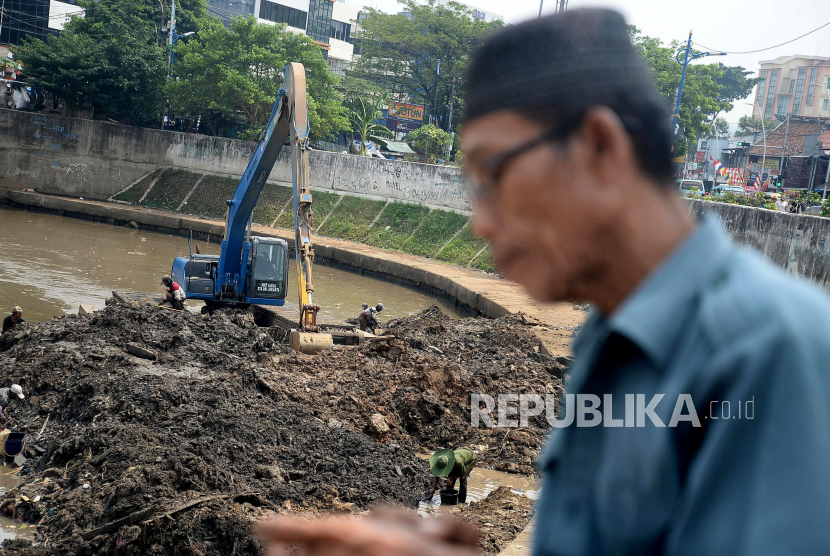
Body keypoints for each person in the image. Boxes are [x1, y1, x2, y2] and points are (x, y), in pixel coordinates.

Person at [256, 9, 830, 556]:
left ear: (600, 148)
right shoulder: (605, 345)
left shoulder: (772, 352)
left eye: (493, 174)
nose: (481, 220)